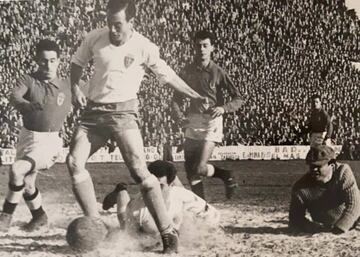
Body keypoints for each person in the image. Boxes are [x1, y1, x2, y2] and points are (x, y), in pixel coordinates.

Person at [66, 0, 205, 253]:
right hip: (93, 113)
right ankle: (94, 224)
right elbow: (77, 62)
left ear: (131, 22)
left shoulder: (144, 46)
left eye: (118, 24)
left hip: (124, 113)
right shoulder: (95, 38)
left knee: (140, 172)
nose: (113, 29)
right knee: (74, 162)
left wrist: (194, 95)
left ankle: (168, 233)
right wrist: (75, 86)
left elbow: (168, 75)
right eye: (109, 23)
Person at [0, 39, 72, 232]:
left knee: (17, 170)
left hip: (49, 141)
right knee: (27, 184)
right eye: (43, 61)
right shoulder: (28, 80)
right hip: (27, 136)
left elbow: (94, 88)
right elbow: (15, 96)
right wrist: (26, 105)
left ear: (59, 61)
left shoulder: (68, 85)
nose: (47, 65)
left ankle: (5, 218)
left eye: (52, 60)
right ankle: (39, 217)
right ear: (36, 60)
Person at [172, 30, 244, 200]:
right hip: (192, 120)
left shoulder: (218, 72)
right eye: (198, 46)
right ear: (193, 47)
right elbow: (176, 98)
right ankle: (201, 206)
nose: (201, 49)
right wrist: (179, 115)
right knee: (191, 171)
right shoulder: (187, 71)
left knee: (200, 167)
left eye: (205, 45)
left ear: (212, 48)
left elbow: (238, 98)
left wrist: (224, 108)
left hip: (211, 122)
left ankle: (226, 175)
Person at [102, 160, 220, 234]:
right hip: (144, 216)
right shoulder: (138, 207)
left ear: (170, 183)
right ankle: (121, 191)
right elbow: (129, 235)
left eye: (161, 186)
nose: (157, 191)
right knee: (124, 225)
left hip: (179, 201)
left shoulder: (182, 195)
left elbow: (212, 216)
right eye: (154, 187)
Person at [289, 145, 360, 234]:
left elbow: (355, 205)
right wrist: (315, 228)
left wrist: (340, 227)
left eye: (318, 166)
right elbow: (295, 219)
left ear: (332, 164)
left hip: (353, 220)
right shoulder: (301, 188)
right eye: (311, 166)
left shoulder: (342, 172)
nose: (314, 169)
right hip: (325, 226)